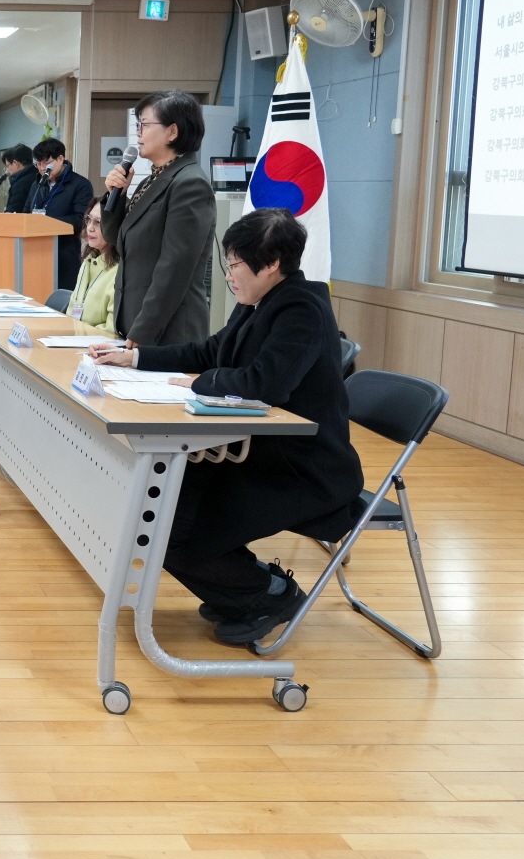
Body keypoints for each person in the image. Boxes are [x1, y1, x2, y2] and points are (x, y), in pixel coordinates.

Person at [91, 208, 362, 644]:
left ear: (270, 264)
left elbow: (264, 384)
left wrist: (201, 382)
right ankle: (245, 588)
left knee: (169, 523)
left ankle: (267, 593)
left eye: (235, 264)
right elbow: (209, 351)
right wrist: (135, 357)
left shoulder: (302, 309)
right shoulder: (258, 302)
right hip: (252, 451)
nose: (229, 274)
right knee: (160, 505)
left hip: (301, 469)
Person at [100, 89, 216, 344]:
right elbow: (113, 237)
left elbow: (174, 269)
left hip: (168, 331)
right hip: (138, 323)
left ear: (172, 132)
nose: (138, 133)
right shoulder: (150, 181)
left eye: (144, 124)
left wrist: (144, 331)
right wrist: (117, 194)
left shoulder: (190, 184)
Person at [28, 138, 93, 289]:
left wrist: (45, 223)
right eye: (38, 164)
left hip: (64, 254)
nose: (42, 168)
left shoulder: (80, 185)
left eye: (46, 163)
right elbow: (26, 212)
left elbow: (80, 220)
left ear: (61, 159)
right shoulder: (37, 185)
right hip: (34, 253)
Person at [67, 196, 118, 335]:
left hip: (98, 344)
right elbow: (71, 312)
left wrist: (77, 334)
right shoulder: (88, 262)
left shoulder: (120, 271)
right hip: (74, 338)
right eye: (88, 219)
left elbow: (112, 330)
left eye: (98, 222)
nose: (89, 228)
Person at [1, 144, 36, 213]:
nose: (7, 170)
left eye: (8, 166)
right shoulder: (38, 176)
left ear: (15, 163)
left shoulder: (20, 184)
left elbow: (14, 210)